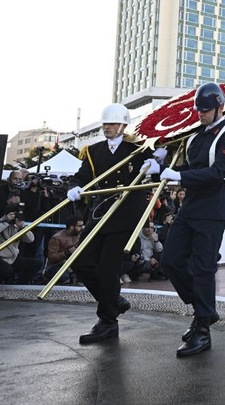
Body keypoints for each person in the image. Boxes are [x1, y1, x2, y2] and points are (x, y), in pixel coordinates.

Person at [156, 82, 225, 356]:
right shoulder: (194, 137)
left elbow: (218, 171)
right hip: (191, 206)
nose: (200, 114)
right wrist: (160, 167)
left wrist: (179, 176)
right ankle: (204, 309)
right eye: (199, 110)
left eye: (205, 110)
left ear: (219, 108)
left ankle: (203, 327)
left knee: (203, 266)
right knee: (169, 260)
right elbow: (187, 168)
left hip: (213, 208)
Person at [65, 103, 158, 344]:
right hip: (100, 213)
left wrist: (157, 164)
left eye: (112, 124)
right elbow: (82, 176)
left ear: (123, 125)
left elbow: (158, 172)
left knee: (108, 268)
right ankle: (114, 301)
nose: (107, 128)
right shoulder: (93, 151)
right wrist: (74, 187)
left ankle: (107, 321)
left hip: (126, 215)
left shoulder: (136, 149)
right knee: (79, 261)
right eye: (105, 124)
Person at [0, 204, 40, 289]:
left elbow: (31, 239)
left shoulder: (16, 227)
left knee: (37, 263)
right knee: (7, 270)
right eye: (14, 214)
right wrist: (6, 222)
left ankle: (22, 284)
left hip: (10, 259)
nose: (16, 217)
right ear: (7, 214)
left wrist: (22, 227)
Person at [44, 216, 84, 284]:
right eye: (79, 226)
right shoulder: (57, 238)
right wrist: (67, 252)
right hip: (55, 266)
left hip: (72, 265)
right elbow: (51, 257)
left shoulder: (79, 236)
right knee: (65, 278)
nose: (81, 228)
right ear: (71, 227)